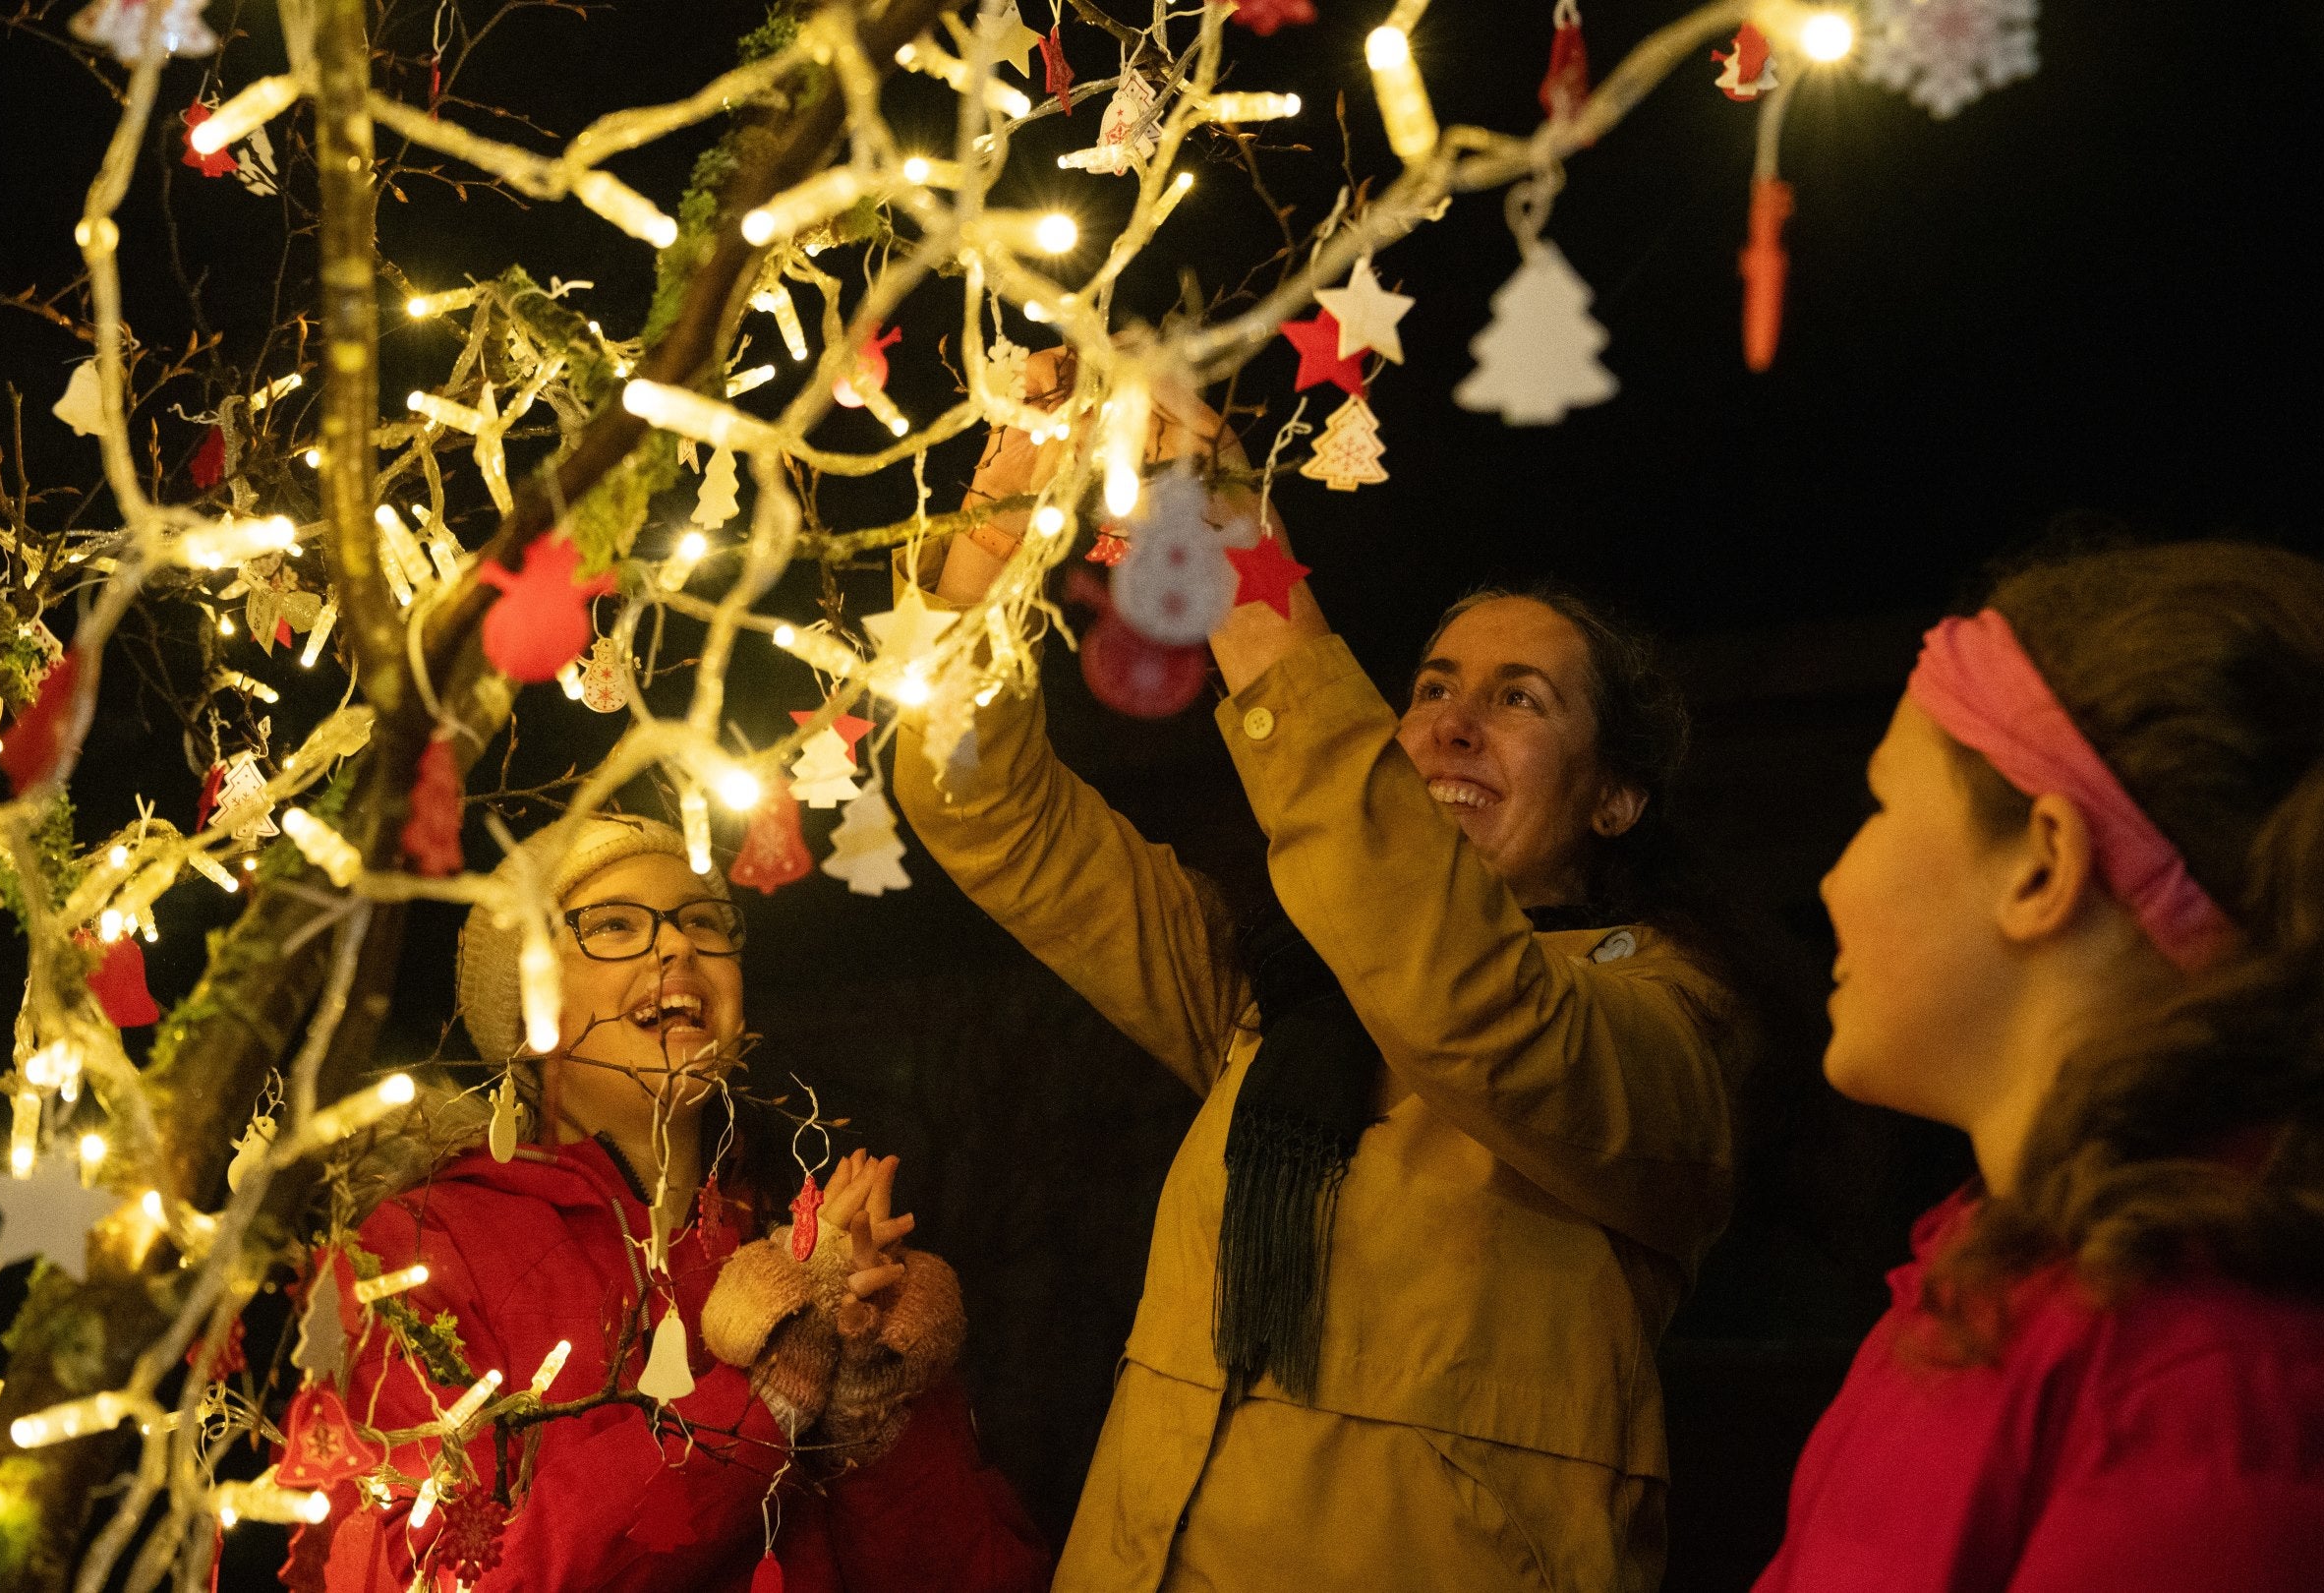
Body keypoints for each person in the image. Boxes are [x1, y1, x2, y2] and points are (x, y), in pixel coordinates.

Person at [894, 358, 1751, 1590]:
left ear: (1615, 799)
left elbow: (1469, 1000)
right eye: (1434, 689)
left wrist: (1244, 577)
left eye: (1521, 703)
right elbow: (994, 816)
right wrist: (994, 540)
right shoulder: (1272, 1001)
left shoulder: (1665, 1032)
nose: (1452, 726)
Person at [1754, 542, 2324, 1592]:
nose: (1833, 880)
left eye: (1881, 804)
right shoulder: (1977, 1282)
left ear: (2043, 866)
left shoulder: (2205, 1382)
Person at [286, 814, 1050, 1593]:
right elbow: (433, 1577)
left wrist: (874, 1419)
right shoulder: (421, 1250)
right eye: (614, 924)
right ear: (527, 1006)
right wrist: (761, 1400)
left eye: (704, 923)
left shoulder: (805, 1254)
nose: (677, 946)